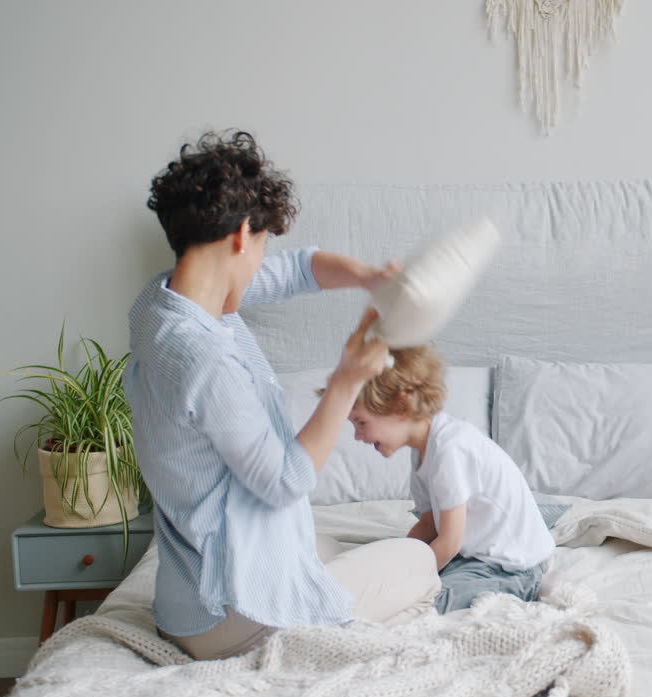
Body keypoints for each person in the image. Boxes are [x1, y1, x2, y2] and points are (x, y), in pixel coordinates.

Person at [124, 130, 440, 661]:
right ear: (242, 235)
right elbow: (285, 482)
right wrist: (346, 383)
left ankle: (315, 616)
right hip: (228, 615)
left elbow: (296, 269)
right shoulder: (207, 360)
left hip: (187, 599)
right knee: (418, 562)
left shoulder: (159, 304)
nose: (265, 259)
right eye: (266, 241)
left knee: (330, 550)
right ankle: (310, 647)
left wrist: (367, 277)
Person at [342, 345, 555, 613]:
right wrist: (396, 562)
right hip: (471, 557)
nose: (357, 436)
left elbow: (449, 542)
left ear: (401, 407)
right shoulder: (422, 450)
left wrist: (407, 581)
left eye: (361, 423)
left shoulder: (450, 447)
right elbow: (429, 525)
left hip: (513, 567)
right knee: (392, 584)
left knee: (426, 605)